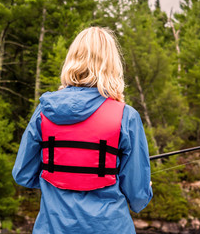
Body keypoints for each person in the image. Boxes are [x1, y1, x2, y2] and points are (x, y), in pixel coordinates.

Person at [12, 27, 153, 233]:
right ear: (112, 65)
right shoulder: (126, 116)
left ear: (72, 59)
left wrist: (59, 178)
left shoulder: (44, 111)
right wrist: (145, 187)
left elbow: (23, 173)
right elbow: (138, 195)